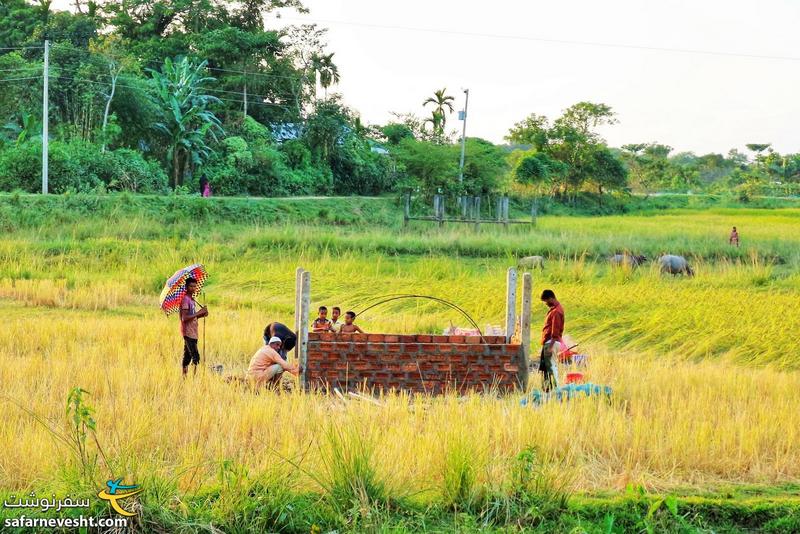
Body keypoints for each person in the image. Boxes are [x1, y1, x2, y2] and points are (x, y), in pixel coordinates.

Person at [180, 277, 208, 377]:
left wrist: (202, 314)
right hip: (188, 332)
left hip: (194, 332)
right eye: (191, 286)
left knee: (187, 356)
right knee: (195, 357)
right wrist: (199, 312)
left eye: (195, 286)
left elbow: (193, 317)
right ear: (186, 287)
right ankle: (194, 379)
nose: (193, 288)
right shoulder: (185, 300)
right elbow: (184, 318)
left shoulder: (192, 300)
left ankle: (184, 377)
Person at [539, 289, 564, 392]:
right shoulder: (555, 310)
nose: (545, 304)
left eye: (546, 301)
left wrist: (549, 347)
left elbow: (555, 331)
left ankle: (554, 391)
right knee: (546, 368)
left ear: (551, 298)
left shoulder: (556, 312)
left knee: (551, 369)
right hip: (550, 342)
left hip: (551, 343)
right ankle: (548, 390)